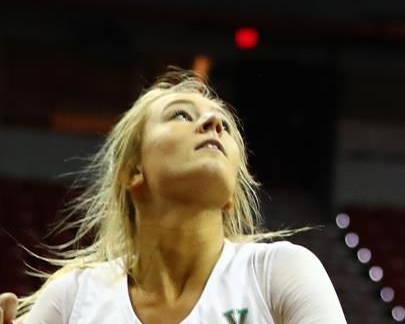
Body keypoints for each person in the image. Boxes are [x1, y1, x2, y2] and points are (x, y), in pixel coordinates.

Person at [1, 72, 346, 324]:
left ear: (229, 196)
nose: (214, 122)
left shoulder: (279, 274)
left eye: (224, 123)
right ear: (132, 171)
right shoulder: (73, 298)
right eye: (181, 114)